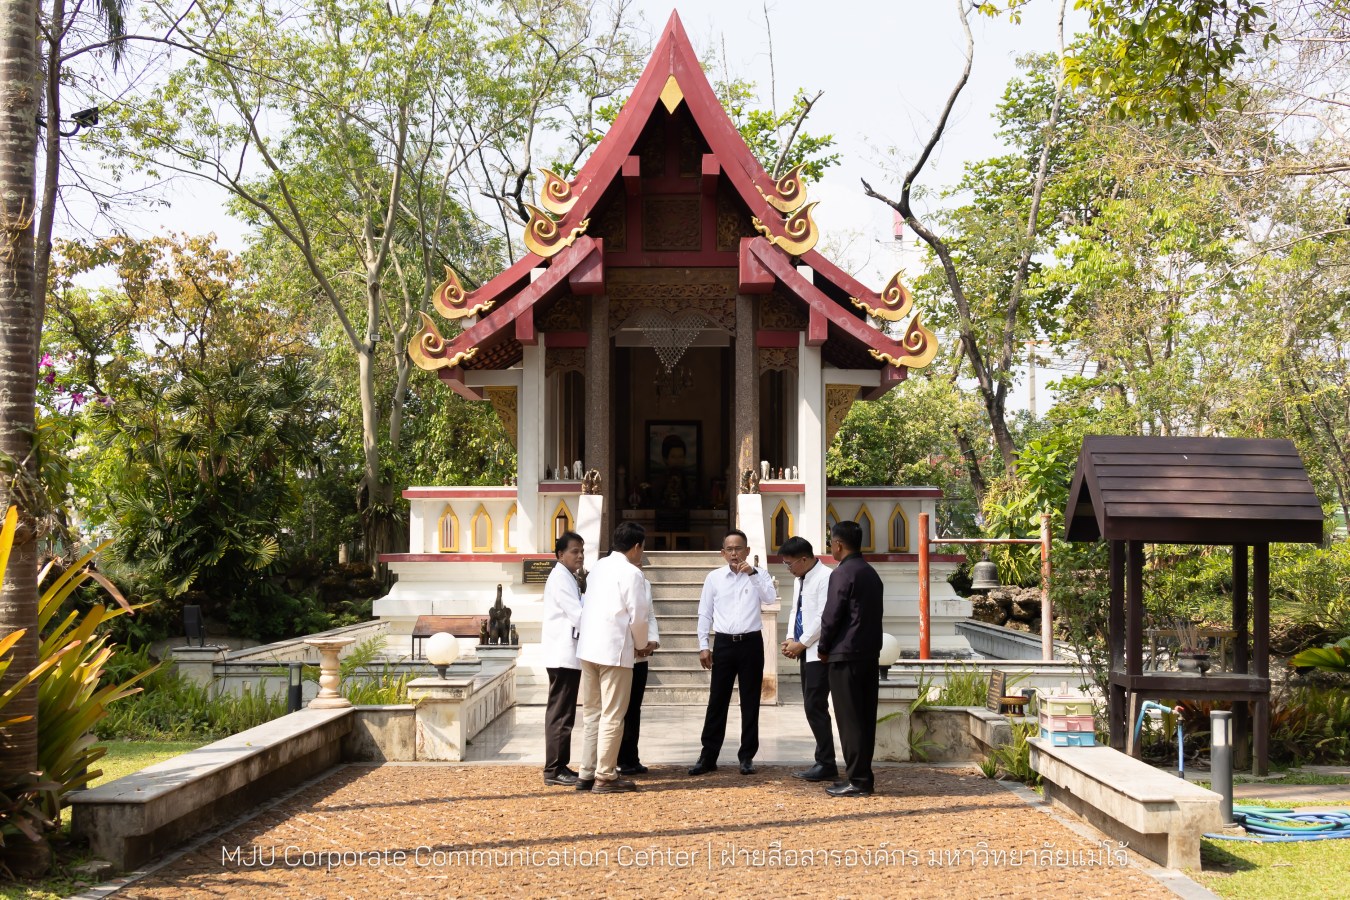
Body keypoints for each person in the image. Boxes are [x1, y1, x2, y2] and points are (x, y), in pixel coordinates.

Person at [689, 528, 778, 776]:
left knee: (750, 702)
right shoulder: (714, 578)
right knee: (717, 701)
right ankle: (708, 756)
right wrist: (703, 645)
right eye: (729, 549)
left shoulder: (760, 575)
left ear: (747, 551)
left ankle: (747, 756)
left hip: (751, 644)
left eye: (739, 548)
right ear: (722, 553)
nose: (734, 553)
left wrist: (754, 574)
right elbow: (704, 612)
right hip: (725, 644)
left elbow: (770, 598)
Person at [575, 522, 654, 794]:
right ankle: (606, 775)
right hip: (614, 650)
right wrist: (643, 645)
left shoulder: (597, 567)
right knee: (613, 715)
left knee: (592, 713)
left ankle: (586, 771)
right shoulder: (632, 573)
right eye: (642, 548)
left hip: (588, 649)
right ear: (636, 547)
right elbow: (639, 615)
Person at [817, 520, 883, 797]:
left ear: (839, 544)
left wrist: (823, 646)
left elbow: (832, 615)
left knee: (849, 719)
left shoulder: (842, 574)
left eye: (831, 542)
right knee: (864, 717)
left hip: (845, 653)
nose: (831, 546)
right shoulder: (870, 572)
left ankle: (857, 780)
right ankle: (862, 776)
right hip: (868, 652)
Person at [778, 536, 838, 782]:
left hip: (819, 652)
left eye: (790, 564)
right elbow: (796, 609)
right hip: (804, 649)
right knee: (811, 706)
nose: (788, 568)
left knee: (815, 706)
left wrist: (801, 644)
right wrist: (791, 637)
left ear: (804, 559)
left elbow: (824, 617)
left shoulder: (826, 577)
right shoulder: (800, 579)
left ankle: (826, 762)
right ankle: (823, 760)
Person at [541, 531, 585, 786]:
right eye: (574, 551)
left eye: (581, 551)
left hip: (566, 652)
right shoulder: (560, 578)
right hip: (562, 653)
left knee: (564, 712)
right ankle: (554, 769)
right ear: (560, 555)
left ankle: (559, 765)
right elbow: (577, 614)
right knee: (560, 712)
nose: (579, 556)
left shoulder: (568, 577)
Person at [617, 579, 659, 776]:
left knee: (634, 709)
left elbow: (648, 615)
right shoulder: (613, 580)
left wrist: (651, 642)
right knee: (618, 710)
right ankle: (616, 758)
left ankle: (631, 757)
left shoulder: (644, 583)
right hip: (620, 655)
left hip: (640, 657)